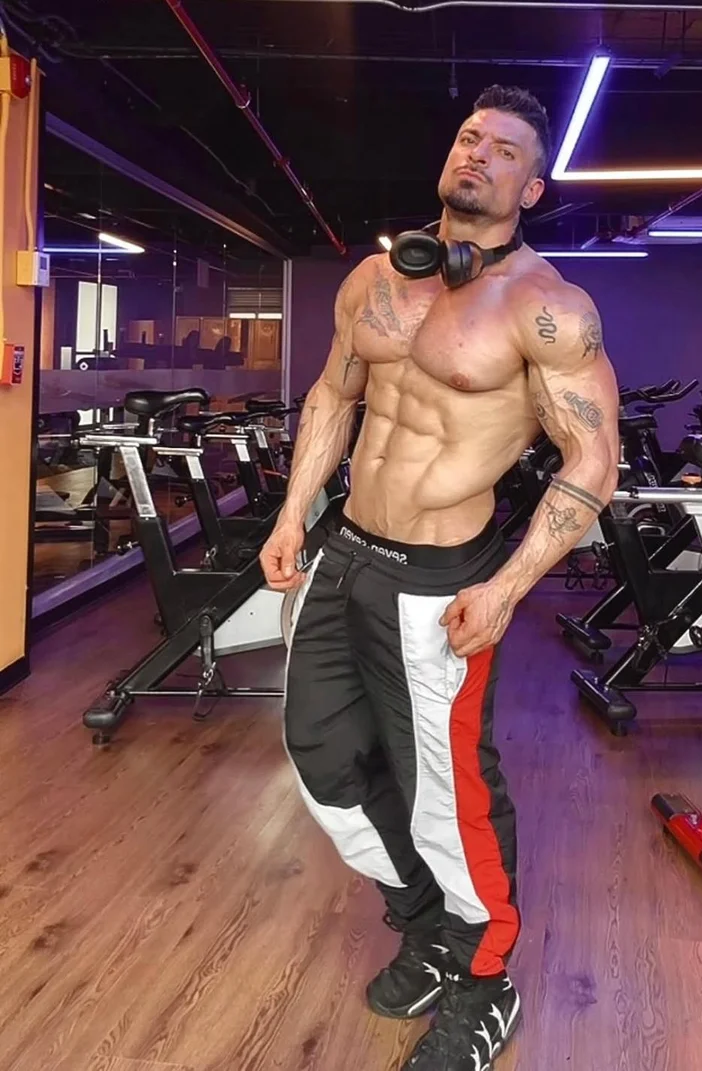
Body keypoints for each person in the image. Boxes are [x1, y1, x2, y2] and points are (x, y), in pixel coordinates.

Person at [261, 84, 620, 1070]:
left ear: (531, 188)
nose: (477, 154)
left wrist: (508, 586)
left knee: (448, 792)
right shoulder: (377, 279)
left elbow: (594, 460)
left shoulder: (548, 308)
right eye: (469, 136)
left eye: (503, 150)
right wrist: (293, 513)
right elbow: (333, 395)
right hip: (345, 553)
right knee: (321, 757)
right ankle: (427, 928)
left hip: (439, 577)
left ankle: (484, 978)